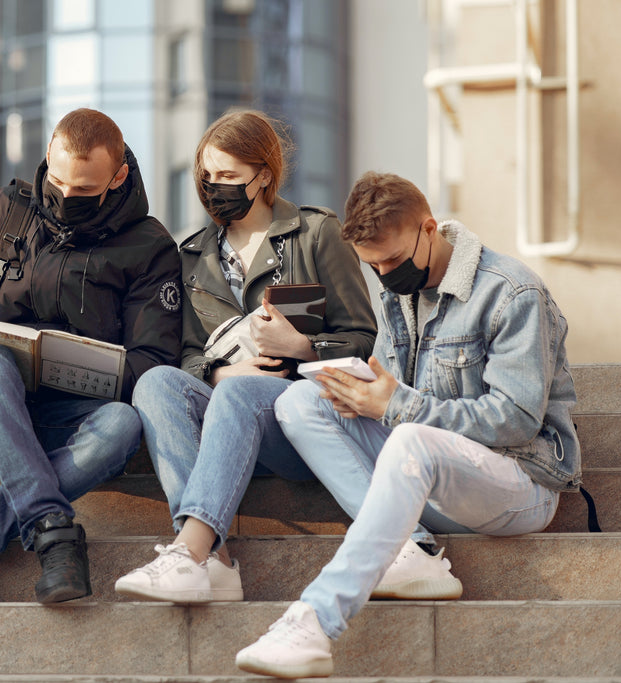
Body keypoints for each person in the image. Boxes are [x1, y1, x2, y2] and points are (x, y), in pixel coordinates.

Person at [234, 171, 581, 678]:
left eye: (393, 260)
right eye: (374, 267)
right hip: (425, 477)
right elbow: (392, 397)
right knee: (299, 403)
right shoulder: (398, 296)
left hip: (520, 485)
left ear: (429, 229)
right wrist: (359, 396)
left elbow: (516, 422)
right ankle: (410, 550)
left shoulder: (512, 293)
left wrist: (396, 406)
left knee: (413, 437)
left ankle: (313, 622)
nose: (385, 276)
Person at [0, 108, 182, 605]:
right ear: (46, 157)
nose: (65, 197)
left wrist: (72, 361)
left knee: (122, 424)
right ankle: (53, 534)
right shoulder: (5, 210)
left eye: (83, 190)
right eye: (56, 181)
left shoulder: (150, 247)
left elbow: (152, 363)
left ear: (118, 177)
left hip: (74, 415)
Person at [114, 110, 377, 604]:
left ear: (263, 176)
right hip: (222, 417)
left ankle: (190, 553)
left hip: (294, 424)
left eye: (229, 177)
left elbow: (362, 336)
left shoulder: (317, 234)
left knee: (240, 391)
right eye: (207, 176)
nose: (215, 187)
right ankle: (213, 560)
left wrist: (301, 348)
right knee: (155, 383)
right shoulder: (189, 256)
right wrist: (217, 371)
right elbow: (185, 352)